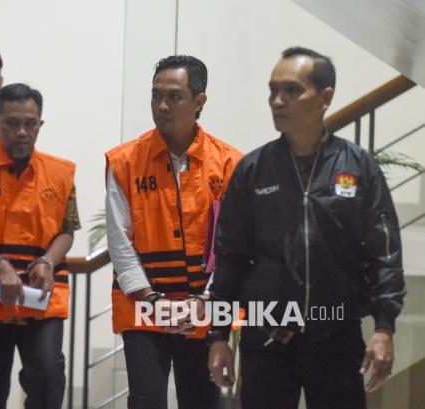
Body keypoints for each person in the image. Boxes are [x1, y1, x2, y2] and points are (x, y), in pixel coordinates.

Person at [207, 46, 407, 409]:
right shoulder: (253, 170)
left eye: (292, 90)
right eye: (273, 90)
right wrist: (218, 334)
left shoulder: (358, 167)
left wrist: (384, 327)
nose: (277, 100)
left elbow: (385, 254)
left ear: (325, 98)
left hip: (336, 338)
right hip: (267, 340)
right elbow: (230, 257)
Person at [105, 55, 242, 409]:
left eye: (174, 96)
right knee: (146, 399)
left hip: (203, 306)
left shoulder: (230, 164)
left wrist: (205, 301)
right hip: (143, 304)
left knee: (201, 400)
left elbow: (234, 246)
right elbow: (119, 242)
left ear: (199, 101)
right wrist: (152, 300)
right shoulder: (124, 161)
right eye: (156, 95)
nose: (162, 105)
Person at [0, 83, 80, 409]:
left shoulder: (61, 172)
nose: (22, 132)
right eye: (12, 123)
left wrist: (47, 261)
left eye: (30, 123)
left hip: (41, 296)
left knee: (48, 376)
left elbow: (67, 230)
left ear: (40, 124)